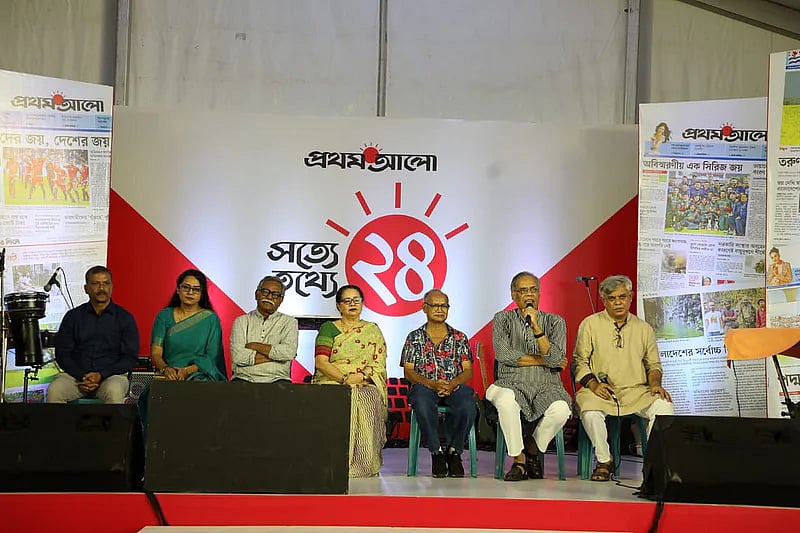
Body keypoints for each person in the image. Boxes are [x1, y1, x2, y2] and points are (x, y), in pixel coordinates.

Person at [573, 275, 674, 482]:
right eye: (612, 298)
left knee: (664, 406)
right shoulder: (590, 324)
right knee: (590, 411)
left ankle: (655, 464)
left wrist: (655, 385)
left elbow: (654, 365)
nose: (618, 302)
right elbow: (579, 362)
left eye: (622, 297)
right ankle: (604, 461)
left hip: (637, 391)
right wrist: (593, 384)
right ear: (604, 300)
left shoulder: (644, 328)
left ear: (630, 297)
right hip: (600, 390)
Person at [486, 272, 571, 481]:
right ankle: (519, 460)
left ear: (539, 293)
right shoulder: (502, 319)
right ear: (514, 295)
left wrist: (536, 328)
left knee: (562, 409)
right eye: (523, 290)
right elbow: (504, 355)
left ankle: (532, 448)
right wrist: (545, 360)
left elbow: (557, 358)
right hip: (510, 382)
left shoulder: (555, 322)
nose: (529, 294)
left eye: (533, 290)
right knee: (506, 401)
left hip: (546, 385)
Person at [312, 284, 388, 478]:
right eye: (347, 301)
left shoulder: (372, 330)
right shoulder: (329, 328)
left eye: (356, 300)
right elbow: (321, 362)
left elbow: (378, 363)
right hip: (332, 380)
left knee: (368, 397)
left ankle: (365, 463)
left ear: (362, 304)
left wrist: (360, 377)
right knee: (340, 398)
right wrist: (345, 379)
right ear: (338, 306)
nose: (352, 304)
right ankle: (332, 462)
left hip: (363, 381)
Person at [400, 289, 476, 478]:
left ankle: (454, 451)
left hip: (454, 386)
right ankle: (437, 452)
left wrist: (452, 384)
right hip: (425, 386)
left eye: (444, 306)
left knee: (468, 405)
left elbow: (468, 370)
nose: (440, 309)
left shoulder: (459, 337)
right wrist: (432, 384)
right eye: (435, 305)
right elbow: (408, 371)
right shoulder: (414, 337)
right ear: (424, 307)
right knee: (421, 401)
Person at [48, 266, 138, 403]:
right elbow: (63, 354)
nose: (101, 288)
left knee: (114, 391)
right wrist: (82, 376)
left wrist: (101, 375)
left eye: (106, 283)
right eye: (95, 283)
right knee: (55, 390)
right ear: (86, 288)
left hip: (111, 376)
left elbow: (129, 358)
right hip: (76, 377)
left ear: (111, 287)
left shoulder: (124, 318)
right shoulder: (72, 317)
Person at [149, 269, 227, 382]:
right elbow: (156, 353)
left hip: (200, 375)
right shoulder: (164, 316)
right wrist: (165, 369)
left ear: (202, 293)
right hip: (170, 374)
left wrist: (187, 371)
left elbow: (211, 356)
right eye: (186, 287)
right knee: (159, 389)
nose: (190, 292)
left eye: (196, 289)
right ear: (178, 289)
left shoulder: (211, 319)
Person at [230, 276, 298, 383]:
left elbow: (288, 352)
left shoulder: (289, 322)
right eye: (265, 292)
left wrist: (255, 346)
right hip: (244, 378)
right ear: (256, 294)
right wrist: (276, 357)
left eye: (275, 294)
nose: (269, 297)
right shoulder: (241, 321)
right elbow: (238, 357)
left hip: (277, 379)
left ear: (281, 300)